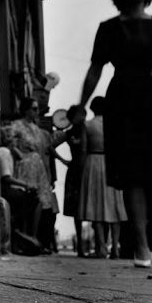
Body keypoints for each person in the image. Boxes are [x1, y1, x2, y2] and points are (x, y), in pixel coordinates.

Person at [80, 0, 152, 268]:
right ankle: (139, 242)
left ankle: (151, 230)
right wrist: (80, 104)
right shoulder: (109, 28)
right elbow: (96, 69)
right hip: (123, 101)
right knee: (132, 174)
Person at [1, 97, 67, 252]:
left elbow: (48, 145)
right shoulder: (17, 125)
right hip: (25, 164)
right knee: (27, 200)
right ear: (26, 110)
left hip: (38, 166)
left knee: (42, 203)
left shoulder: (36, 128)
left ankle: (34, 239)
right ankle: (24, 239)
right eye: (34, 109)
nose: (37, 112)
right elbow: (7, 140)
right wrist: (19, 154)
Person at [77, 96, 127, 260]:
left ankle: (102, 249)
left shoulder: (88, 125)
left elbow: (83, 149)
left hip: (93, 163)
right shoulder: (115, 124)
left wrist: (81, 169)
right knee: (115, 206)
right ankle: (116, 249)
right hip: (112, 162)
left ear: (92, 108)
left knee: (95, 206)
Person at [61, 105, 88, 257]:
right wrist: (65, 161)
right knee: (77, 209)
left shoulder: (83, 129)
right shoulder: (71, 132)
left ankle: (88, 245)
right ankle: (81, 245)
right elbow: (52, 146)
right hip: (78, 170)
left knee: (84, 208)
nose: (83, 117)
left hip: (81, 169)